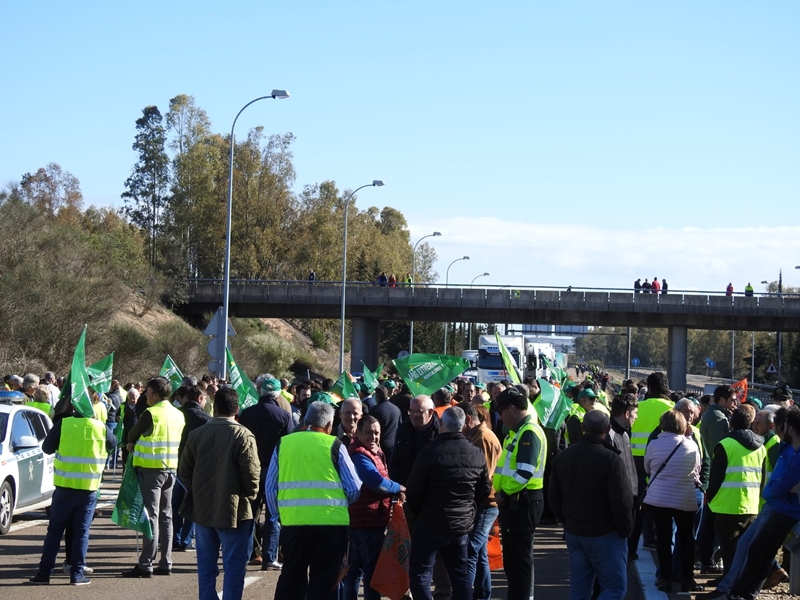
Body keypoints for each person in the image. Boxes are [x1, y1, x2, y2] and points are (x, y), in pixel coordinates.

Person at [266, 401, 362, 599]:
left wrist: (279, 515)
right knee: (324, 582)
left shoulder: (283, 444)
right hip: (331, 525)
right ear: (328, 426)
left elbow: (270, 487)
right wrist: (340, 504)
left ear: (305, 421)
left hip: (293, 523)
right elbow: (354, 488)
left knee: (291, 578)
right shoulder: (335, 444)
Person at [174, 387, 258, 600]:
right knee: (234, 567)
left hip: (202, 509)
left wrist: (197, 489)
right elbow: (252, 477)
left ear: (214, 408)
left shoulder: (197, 434)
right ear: (236, 409)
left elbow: (184, 472)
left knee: (206, 567)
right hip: (234, 510)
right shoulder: (243, 435)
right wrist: (249, 494)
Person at [406, 407, 491, 600]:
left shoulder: (429, 452)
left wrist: (421, 512)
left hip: (431, 522)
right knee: (460, 576)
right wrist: (468, 507)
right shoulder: (476, 453)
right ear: (463, 424)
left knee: (420, 573)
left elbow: (414, 490)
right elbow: (484, 489)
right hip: (460, 525)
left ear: (441, 424)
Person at [27, 399, 116, 586]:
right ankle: (76, 574)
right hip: (88, 489)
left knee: (54, 532)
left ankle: (44, 574)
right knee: (81, 532)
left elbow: (46, 448)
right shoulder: (100, 427)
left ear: (75, 407)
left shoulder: (64, 424)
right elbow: (113, 444)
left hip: (64, 488)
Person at [549, 411, 634, 600]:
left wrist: (566, 520)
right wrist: (625, 530)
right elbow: (622, 500)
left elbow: (554, 497)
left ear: (583, 428)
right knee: (614, 588)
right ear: (608, 429)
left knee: (580, 589)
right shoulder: (611, 459)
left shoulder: (564, 457)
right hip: (605, 533)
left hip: (575, 531)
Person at [123, 376, 186, 578]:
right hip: (171, 469)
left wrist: (131, 443)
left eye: (148, 392)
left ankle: (146, 563)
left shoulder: (150, 413)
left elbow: (131, 435)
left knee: (151, 516)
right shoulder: (178, 414)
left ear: (156, 394)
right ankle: (166, 561)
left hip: (151, 469)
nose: (145, 395)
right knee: (166, 516)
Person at [492, 387, 548, 600]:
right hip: (517, 501)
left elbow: (524, 472)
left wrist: (503, 494)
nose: (501, 418)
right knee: (515, 561)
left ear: (512, 408)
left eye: (502, 412)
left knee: (520, 561)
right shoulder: (519, 432)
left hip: (522, 501)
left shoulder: (529, 432)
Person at [343, 416, 405, 600]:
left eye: (377, 433)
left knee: (356, 571)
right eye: (369, 432)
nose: (374, 437)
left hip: (369, 519)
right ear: (358, 433)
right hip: (365, 522)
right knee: (369, 574)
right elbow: (376, 483)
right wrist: (398, 487)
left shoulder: (375, 452)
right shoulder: (359, 455)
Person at [643, 410, 703, 594]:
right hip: (684, 497)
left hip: (659, 498)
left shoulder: (654, 444)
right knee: (686, 538)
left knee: (663, 538)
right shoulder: (691, 446)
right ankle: (687, 577)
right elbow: (697, 470)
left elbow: (647, 467)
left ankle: (666, 578)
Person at [238, 377, 293, 569]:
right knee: (272, 515)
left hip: (250, 469)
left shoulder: (247, 414)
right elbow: (288, 445)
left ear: (261, 392)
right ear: (277, 395)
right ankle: (269, 558)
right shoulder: (284, 416)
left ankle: (247, 555)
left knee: (249, 513)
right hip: (274, 471)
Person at [707, 404, 765, 575]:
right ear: (751, 423)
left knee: (729, 550)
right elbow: (761, 479)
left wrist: (711, 497)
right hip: (751, 506)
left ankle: (728, 585)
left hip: (728, 506)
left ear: (731, 423)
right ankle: (732, 583)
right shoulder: (761, 447)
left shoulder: (725, 445)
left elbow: (716, 477)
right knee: (742, 551)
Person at [459, 402, 501, 600]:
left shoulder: (483, 437)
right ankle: (483, 594)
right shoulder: (475, 435)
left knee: (471, 549)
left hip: (487, 503)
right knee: (480, 551)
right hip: (481, 502)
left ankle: (466, 595)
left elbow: (483, 475)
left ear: (468, 419)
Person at [629, 372, 674, 552]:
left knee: (636, 502)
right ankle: (652, 537)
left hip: (634, 459)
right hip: (661, 460)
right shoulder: (671, 408)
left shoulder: (638, 406)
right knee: (655, 501)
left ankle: (632, 547)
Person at [697, 384, 737, 573]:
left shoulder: (715, 415)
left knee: (711, 519)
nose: (734, 403)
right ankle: (707, 559)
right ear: (722, 400)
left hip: (714, 474)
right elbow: (717, 449)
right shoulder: (717, 418)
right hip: (716, 475)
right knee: (712, 520)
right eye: (732, 400)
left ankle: (707, 558)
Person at [174, 385, 211, 551]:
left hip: (176, 462)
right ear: (200, 399)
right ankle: (186, 539)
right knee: (193, 502)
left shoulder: (176, 414)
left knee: (176, 502)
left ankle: (174, 537)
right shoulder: (206, 419)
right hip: (197, 465)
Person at [607, 393, 639, 558]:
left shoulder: (625, 434)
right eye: (635, 414)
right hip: (618, 502)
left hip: (628, 498)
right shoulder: (610, 436)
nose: (636, 418)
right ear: (626, 414)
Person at [390, 394, 439, 486]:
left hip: (430, 488)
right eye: (411, 411)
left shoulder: (440, 431)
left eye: (419, 412)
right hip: (406, 486)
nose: (414, 415)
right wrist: (397, 485)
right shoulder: (403, 429)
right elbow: (395, 460)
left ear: (431, 412)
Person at [369, 385, 401, 461]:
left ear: (377, 397)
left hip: (379, 446)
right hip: (394, 445)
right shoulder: (396, 409)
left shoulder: (375, 410)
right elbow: (400, 426)